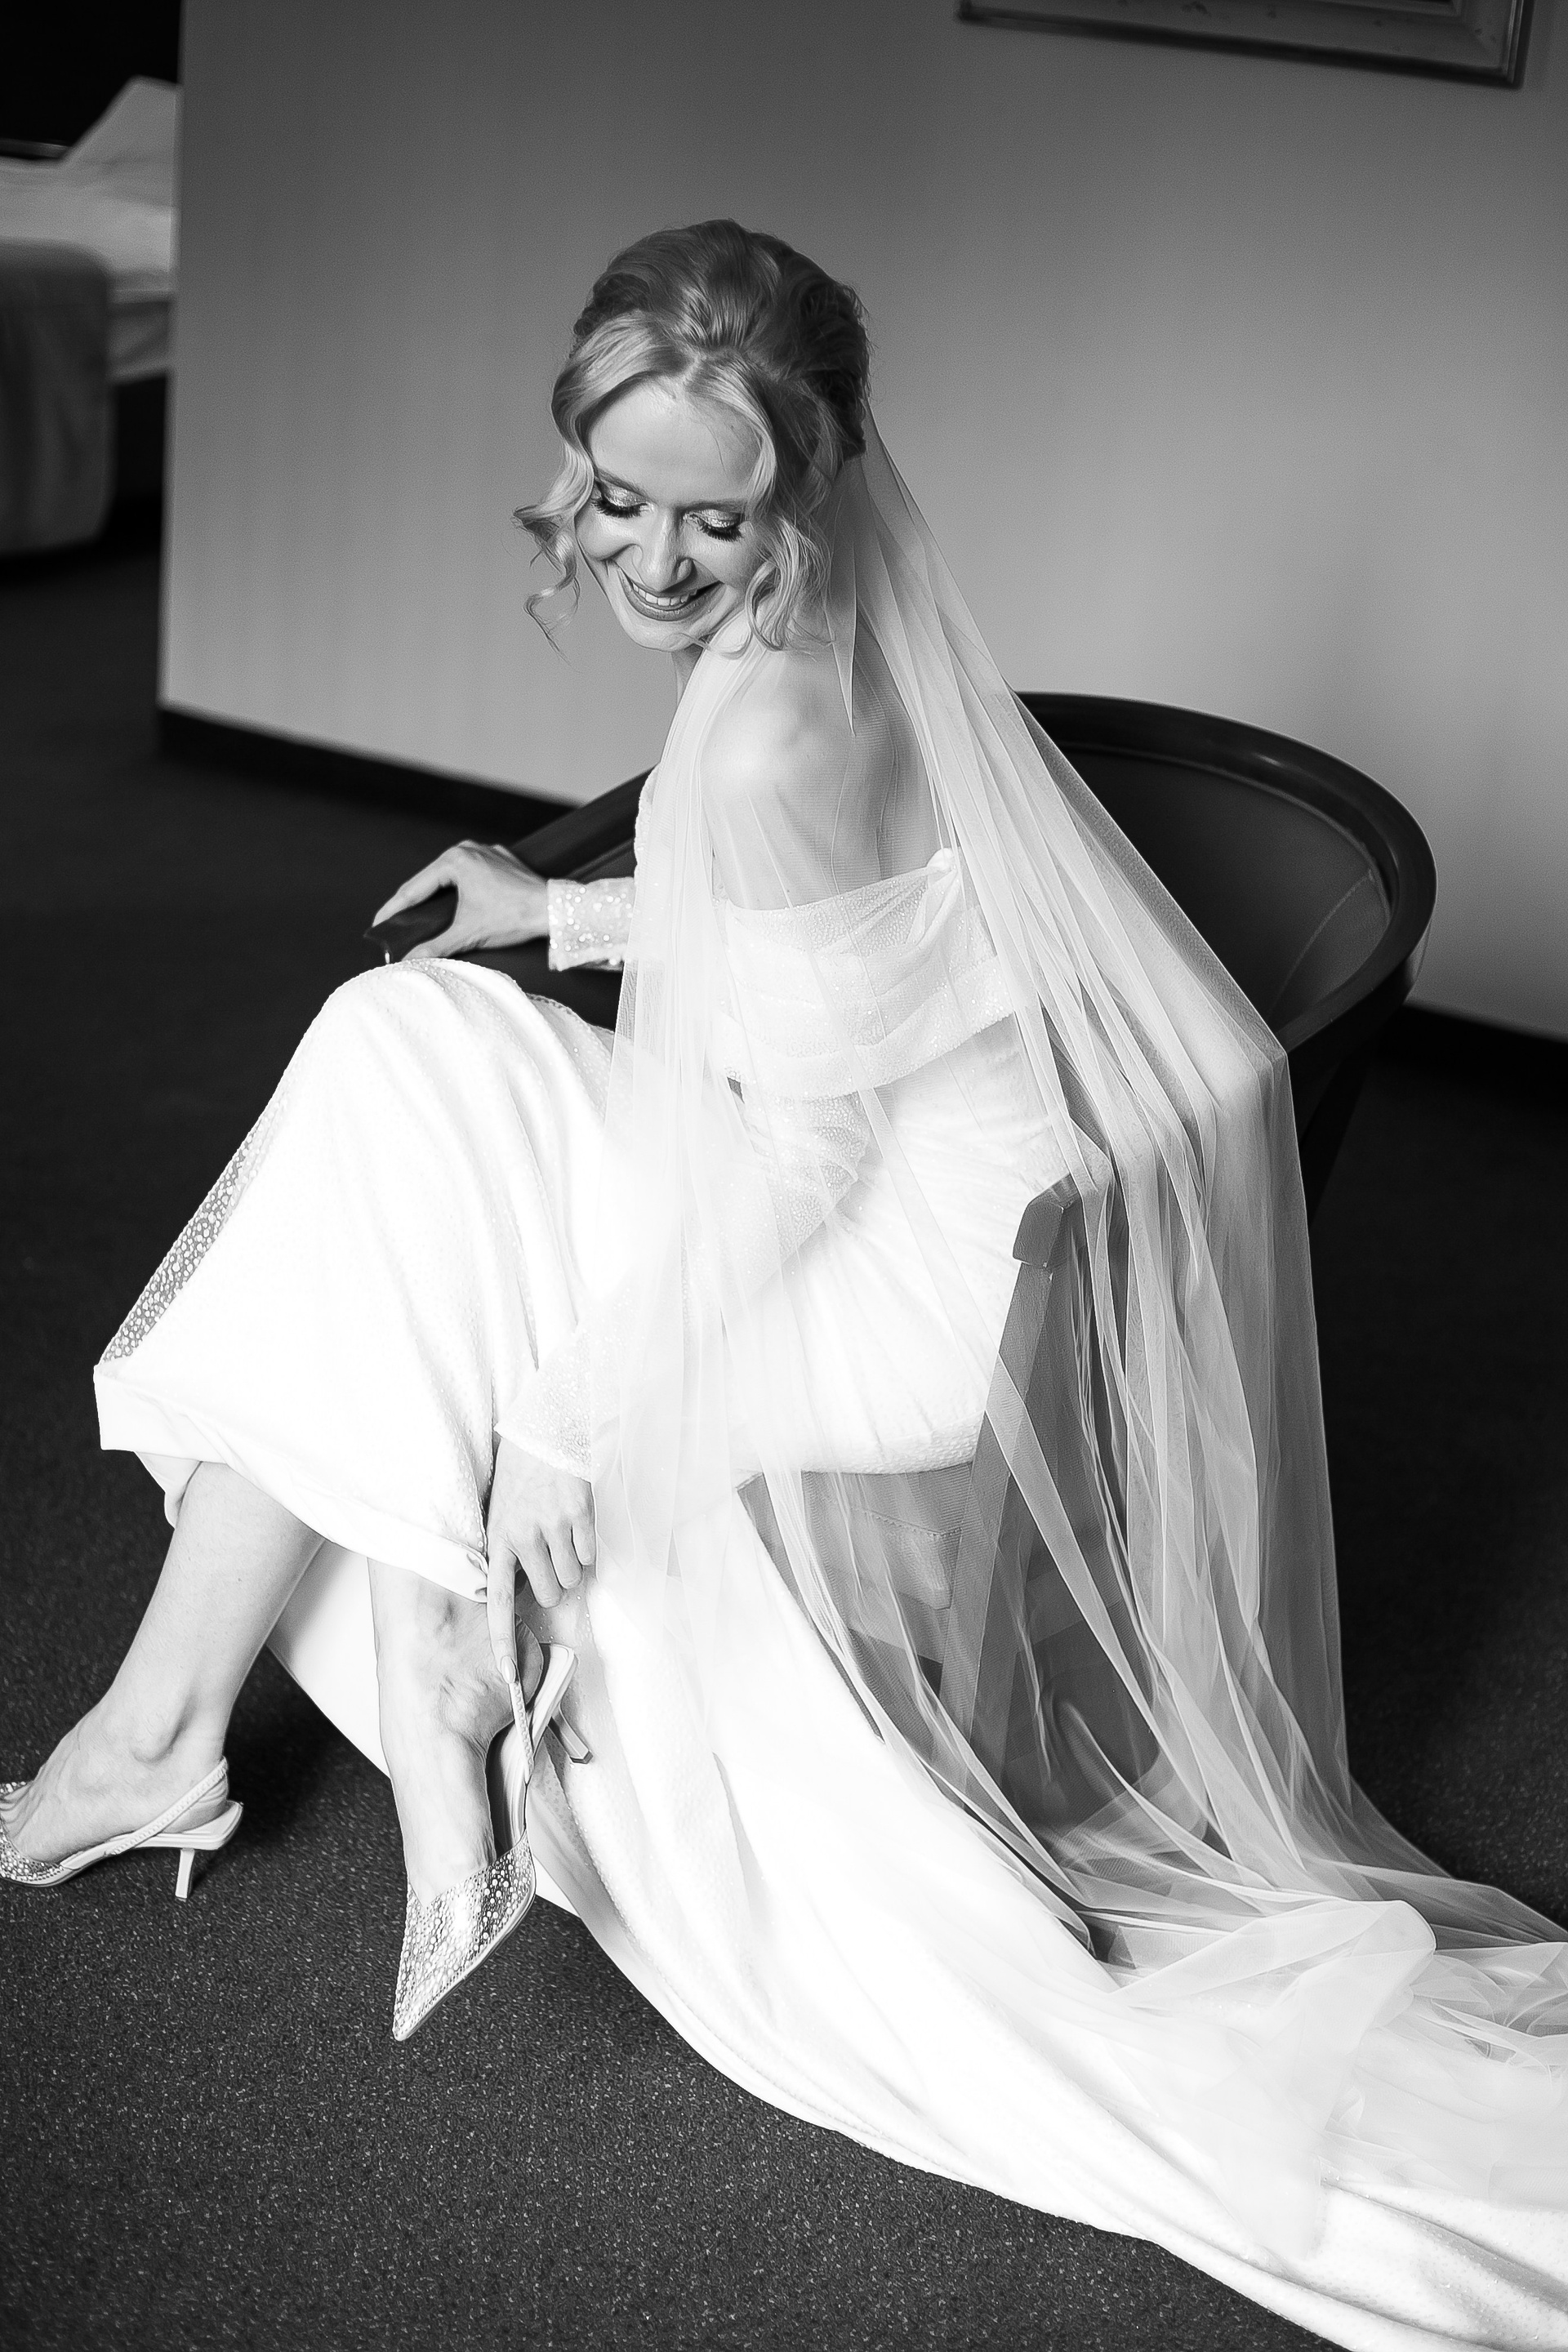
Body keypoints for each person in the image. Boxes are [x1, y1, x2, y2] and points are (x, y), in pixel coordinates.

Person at [3, 222, 1566, 2349]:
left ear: (808, 488)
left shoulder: (762, 723)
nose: (650, 561)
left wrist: (569, 1424)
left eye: (710, 520)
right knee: (402, 1060)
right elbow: (854, 936)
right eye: (615, 495)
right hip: (884, 1156)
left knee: (395, 1103)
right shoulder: (838, 625)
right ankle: (188, 1725)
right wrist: (565, 921)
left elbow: (812, 1150)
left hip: (899, 1270)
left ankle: (226, 1712)